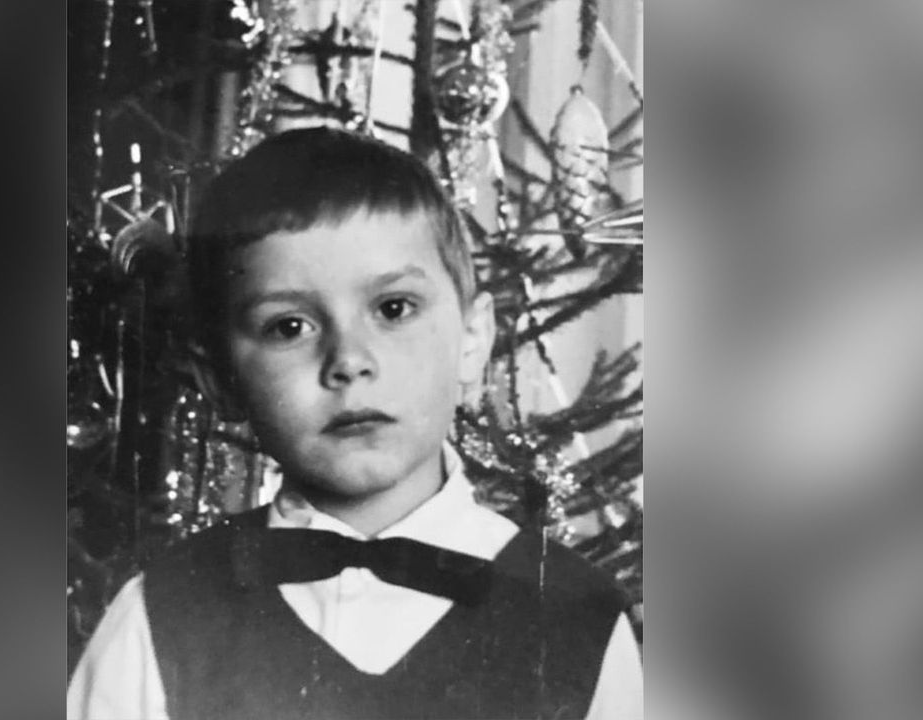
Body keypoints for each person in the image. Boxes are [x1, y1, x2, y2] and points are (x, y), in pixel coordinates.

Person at [67, 127, 643, 719]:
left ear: (473, 339)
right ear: (219, 379)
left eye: (394, 309)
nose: (349, 361)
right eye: (289, 327)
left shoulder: (583, 623)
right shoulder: (160, 617)